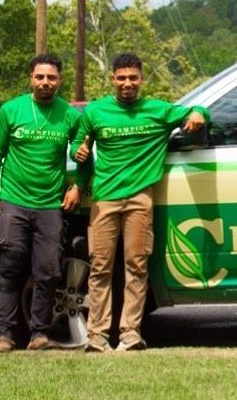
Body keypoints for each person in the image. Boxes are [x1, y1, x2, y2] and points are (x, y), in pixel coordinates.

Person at [72, 53, 207, 353]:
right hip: (104, 198)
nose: (127, 84)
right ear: (113, 80)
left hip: (141, 198)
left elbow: (197, 111)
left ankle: (131, 333)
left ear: (141, 80)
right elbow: (79, 147)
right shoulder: (95, 112)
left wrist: (198, 114)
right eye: (121, 78)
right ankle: (97, 336)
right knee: (100, 268)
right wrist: (78, 155)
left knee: (136, 266)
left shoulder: (158, 111)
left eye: (133, 78)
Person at [0, 54, 85, 353]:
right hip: (14, 202)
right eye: (40, 77)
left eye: (51, 78)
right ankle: (3, 334)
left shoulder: (69, 115)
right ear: (31, 78)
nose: (45, 83)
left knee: (48, 271)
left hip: (50, 205)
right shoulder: (11, 110)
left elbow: (84, 155)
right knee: (11, 268)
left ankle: (39, 333)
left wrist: (78, 186)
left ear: (60, 80)